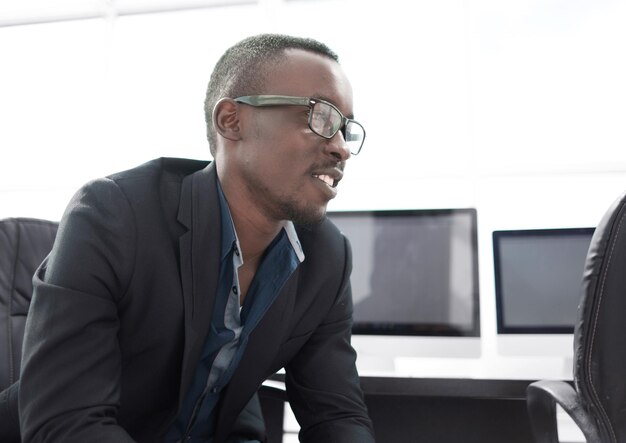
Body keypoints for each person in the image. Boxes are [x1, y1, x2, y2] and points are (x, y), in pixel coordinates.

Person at [13, 33, 374, 442]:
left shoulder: (326, 255)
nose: (341, 148)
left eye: (346, 129)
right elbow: (66, 424)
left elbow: (337, 416)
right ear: (231, 121)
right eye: (321, 117)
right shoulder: (114, 215)